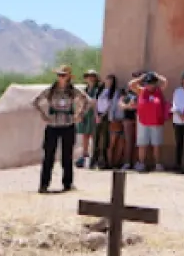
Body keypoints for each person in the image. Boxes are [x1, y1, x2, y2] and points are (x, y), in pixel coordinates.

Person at [33, 65, 90, 193]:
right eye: (59, 75)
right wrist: (43, 114)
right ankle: (44, 184)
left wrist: (79, 114)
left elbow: (86, 101)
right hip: (53, 125)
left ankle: (67, 184)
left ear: (68, 77)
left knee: (67, 156)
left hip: (68, 125)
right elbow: (36, 101)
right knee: (48, 156)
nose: (61, 78)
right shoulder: (51, 90)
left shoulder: (73, 91)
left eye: (63, 75)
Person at [131, 72, 167, 172]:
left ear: (155, 83)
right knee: (142, 144)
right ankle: (141, 163)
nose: (149, 85)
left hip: (156, 122)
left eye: (151, 83)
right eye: (147, 83)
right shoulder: (142, 90)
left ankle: (158, 164)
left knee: (156, 144)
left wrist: (157, 75)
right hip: (143, 122)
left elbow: (165, 82)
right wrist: (141, 78)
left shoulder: (158, 91)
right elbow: (131, 84)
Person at [76, 70, 102, 169]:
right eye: (87, 76)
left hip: (93, 114)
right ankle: (84, 155)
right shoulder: (85, 89)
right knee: (85, 135)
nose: (90, 78)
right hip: (85, 114)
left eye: (92, 76)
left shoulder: (97, 89)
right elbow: (80, 102)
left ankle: (94, 155)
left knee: (93, 135)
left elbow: (94, 102)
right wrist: (79, 113)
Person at [93, 74, 119, 169]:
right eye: (108, 80)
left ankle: (104, 161)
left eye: (111, 80)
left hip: (106, 117)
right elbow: (95, 103)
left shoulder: (113, 92)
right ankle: (94, 160)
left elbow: (110, 106)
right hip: (97, 115)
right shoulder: (100, 90)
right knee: (96, 138)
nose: (109, 82)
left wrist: (102, 116)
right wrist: (96, 115)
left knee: (105, 140)